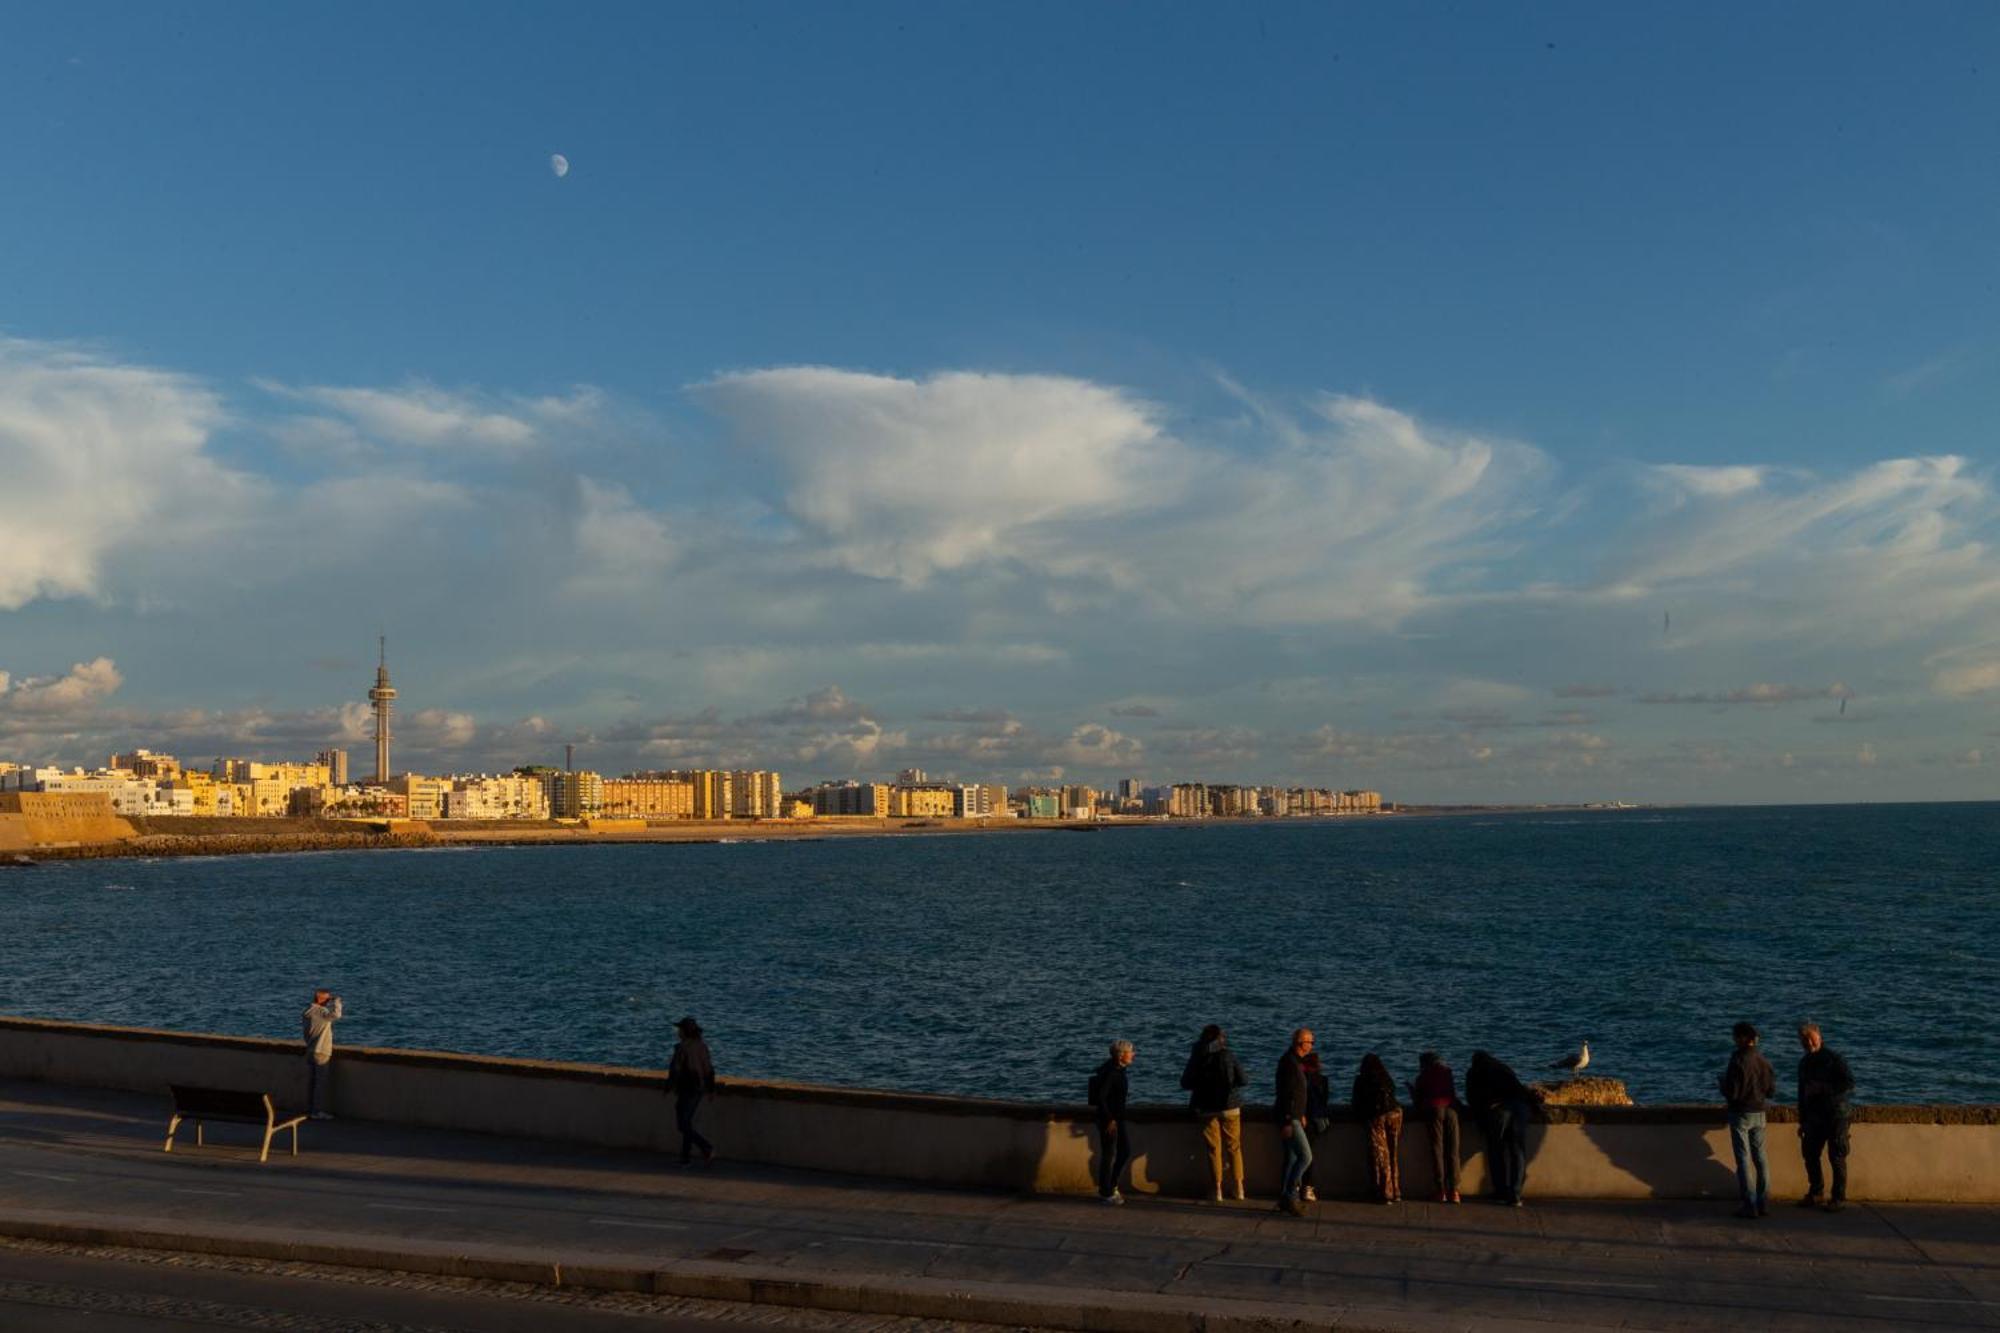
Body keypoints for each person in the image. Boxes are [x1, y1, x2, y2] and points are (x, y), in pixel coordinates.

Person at [1179, 1024, 1248, 1202]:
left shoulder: (1198, 1055)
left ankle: (1217, 1190)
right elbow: (1244, 1080)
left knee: (1213, 1149)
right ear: (1220, 1038)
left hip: (1206, 1108)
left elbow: (1185, 1082)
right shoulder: (1228, 1054)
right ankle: (1239, 1188)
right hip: (1230, 1106)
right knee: (1234, 1147)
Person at [1719, 1021, 1777, 1219]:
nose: (1734, 1040)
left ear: (1743, 1038)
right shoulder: (1764, 1061)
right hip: (1760, 1112)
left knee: (1743, 1158)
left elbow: (1733, 1092)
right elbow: (1771, 1090)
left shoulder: (1738, 1059)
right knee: (1760, 1157)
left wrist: (1722, 1085)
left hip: (1741, 1113)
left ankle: (1749, 1204)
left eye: (1736, 1036)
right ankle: (1764, 1202)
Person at [1795, 1022, 1855, 1213]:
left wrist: (1824, 1089)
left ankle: (1838, 1197)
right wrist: (1802, 1120)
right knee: (1810, 1153)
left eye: (1811, 1038)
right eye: (1804, 1039)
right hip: (1814, 1116)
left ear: (1820, 1036)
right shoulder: (1804, 1064)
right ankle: (1816, 1192)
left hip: (1837, 1114)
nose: (1808, 1042)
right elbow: (1801, 1095)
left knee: (1836, 1156)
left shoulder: (1833, 1059)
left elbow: (1849, 1083)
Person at [1466, 1050, 1534, 1206]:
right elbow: (1520, 1088)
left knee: (1496, 1149)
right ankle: (1515, 1194)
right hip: (1520, 1107)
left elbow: (1473, 1098)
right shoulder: (1503, 1067)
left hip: (1499, 1109)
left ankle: (1501, 1191)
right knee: (1517, 1151)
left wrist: (1481, 1121)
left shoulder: (1475, 1071)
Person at [1409, 1051, 1462, 1203]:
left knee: (1437, 1149)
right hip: (1451, 1110)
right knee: (1453, 1150)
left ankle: (1441, 1191)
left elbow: (1419, 1101)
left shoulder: (1423, 1076)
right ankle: (1455, 1191)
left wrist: (1412, 1091)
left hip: (1434, 1110)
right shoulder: (1447, 1073)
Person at [1351, 1053, 1403, 1203]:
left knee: (1381, 1156)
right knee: (1393, 1153)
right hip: (1395, 1113)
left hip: (1376, 1117)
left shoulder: (1361, 1080)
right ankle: (1396, 1190)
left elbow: (1357, 1104)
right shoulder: (1386, 1077)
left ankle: (1385, 1192)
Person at [665, 1016, 717, 1166]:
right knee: (686, 1123)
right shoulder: (702, 1046)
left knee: (682, 1125)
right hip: (699, 1089)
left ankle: (706, 1147)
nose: (677, 1032)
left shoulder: (681, 1048)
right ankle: (685, 1158)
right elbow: (709, 1069)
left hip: (687, 1089)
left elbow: (675, 1069)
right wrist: (711, 1089)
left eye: (679, 1029)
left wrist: (668, 1087)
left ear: (684, 1031)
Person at [1274, 1029, 1315, 1215]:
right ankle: (1290, 1195)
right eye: (1310, 1042)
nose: (1311, 1045)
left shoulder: (1294, 1061)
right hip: (1291, 1118)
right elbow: (1285, 1094)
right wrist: (1288, 1121)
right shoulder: (1289, 1064)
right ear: (1301, 1043)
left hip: (1296, 1116)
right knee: (1306, 1157)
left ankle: (1284, 1197)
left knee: (1291, 1158)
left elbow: (1296, 1093)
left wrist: (1302, 1113)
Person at [1090, 1040, 1136, 1204]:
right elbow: (1101, 1097)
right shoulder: (1113, 1072)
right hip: (1110, 1120)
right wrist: (1109, 1119)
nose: (1133, 1054)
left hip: (1117, 1118)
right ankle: (1106, 1191)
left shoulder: (1118, 1070)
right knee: (1110, 1154)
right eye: (1131, 1052)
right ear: (1121, 1055)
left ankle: (1111, 1185)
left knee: (1123, 1151)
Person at [300, 988, 343, 1121]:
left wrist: (329, 1001)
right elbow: (336, 1015)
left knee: (312, 1083)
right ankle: (317, 1111)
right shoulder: (322, 1012)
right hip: (321, 1051)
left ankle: (310, 1109)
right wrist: (337, 1002)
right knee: (320, 1084)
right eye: (327, 999)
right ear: (321, 1000)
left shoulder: (307, 1012)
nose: (329, 1001)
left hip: (310, 1051)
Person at [1298, 1045, 1332, 1202]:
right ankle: (1307, 1187)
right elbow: (1324, 1101)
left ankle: (1298, 1185)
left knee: (1299, 1155)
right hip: (1317, 1120)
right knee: (1309, 1154)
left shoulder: (1302, 1079)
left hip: (1303, 1119)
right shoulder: (1323, 1080)